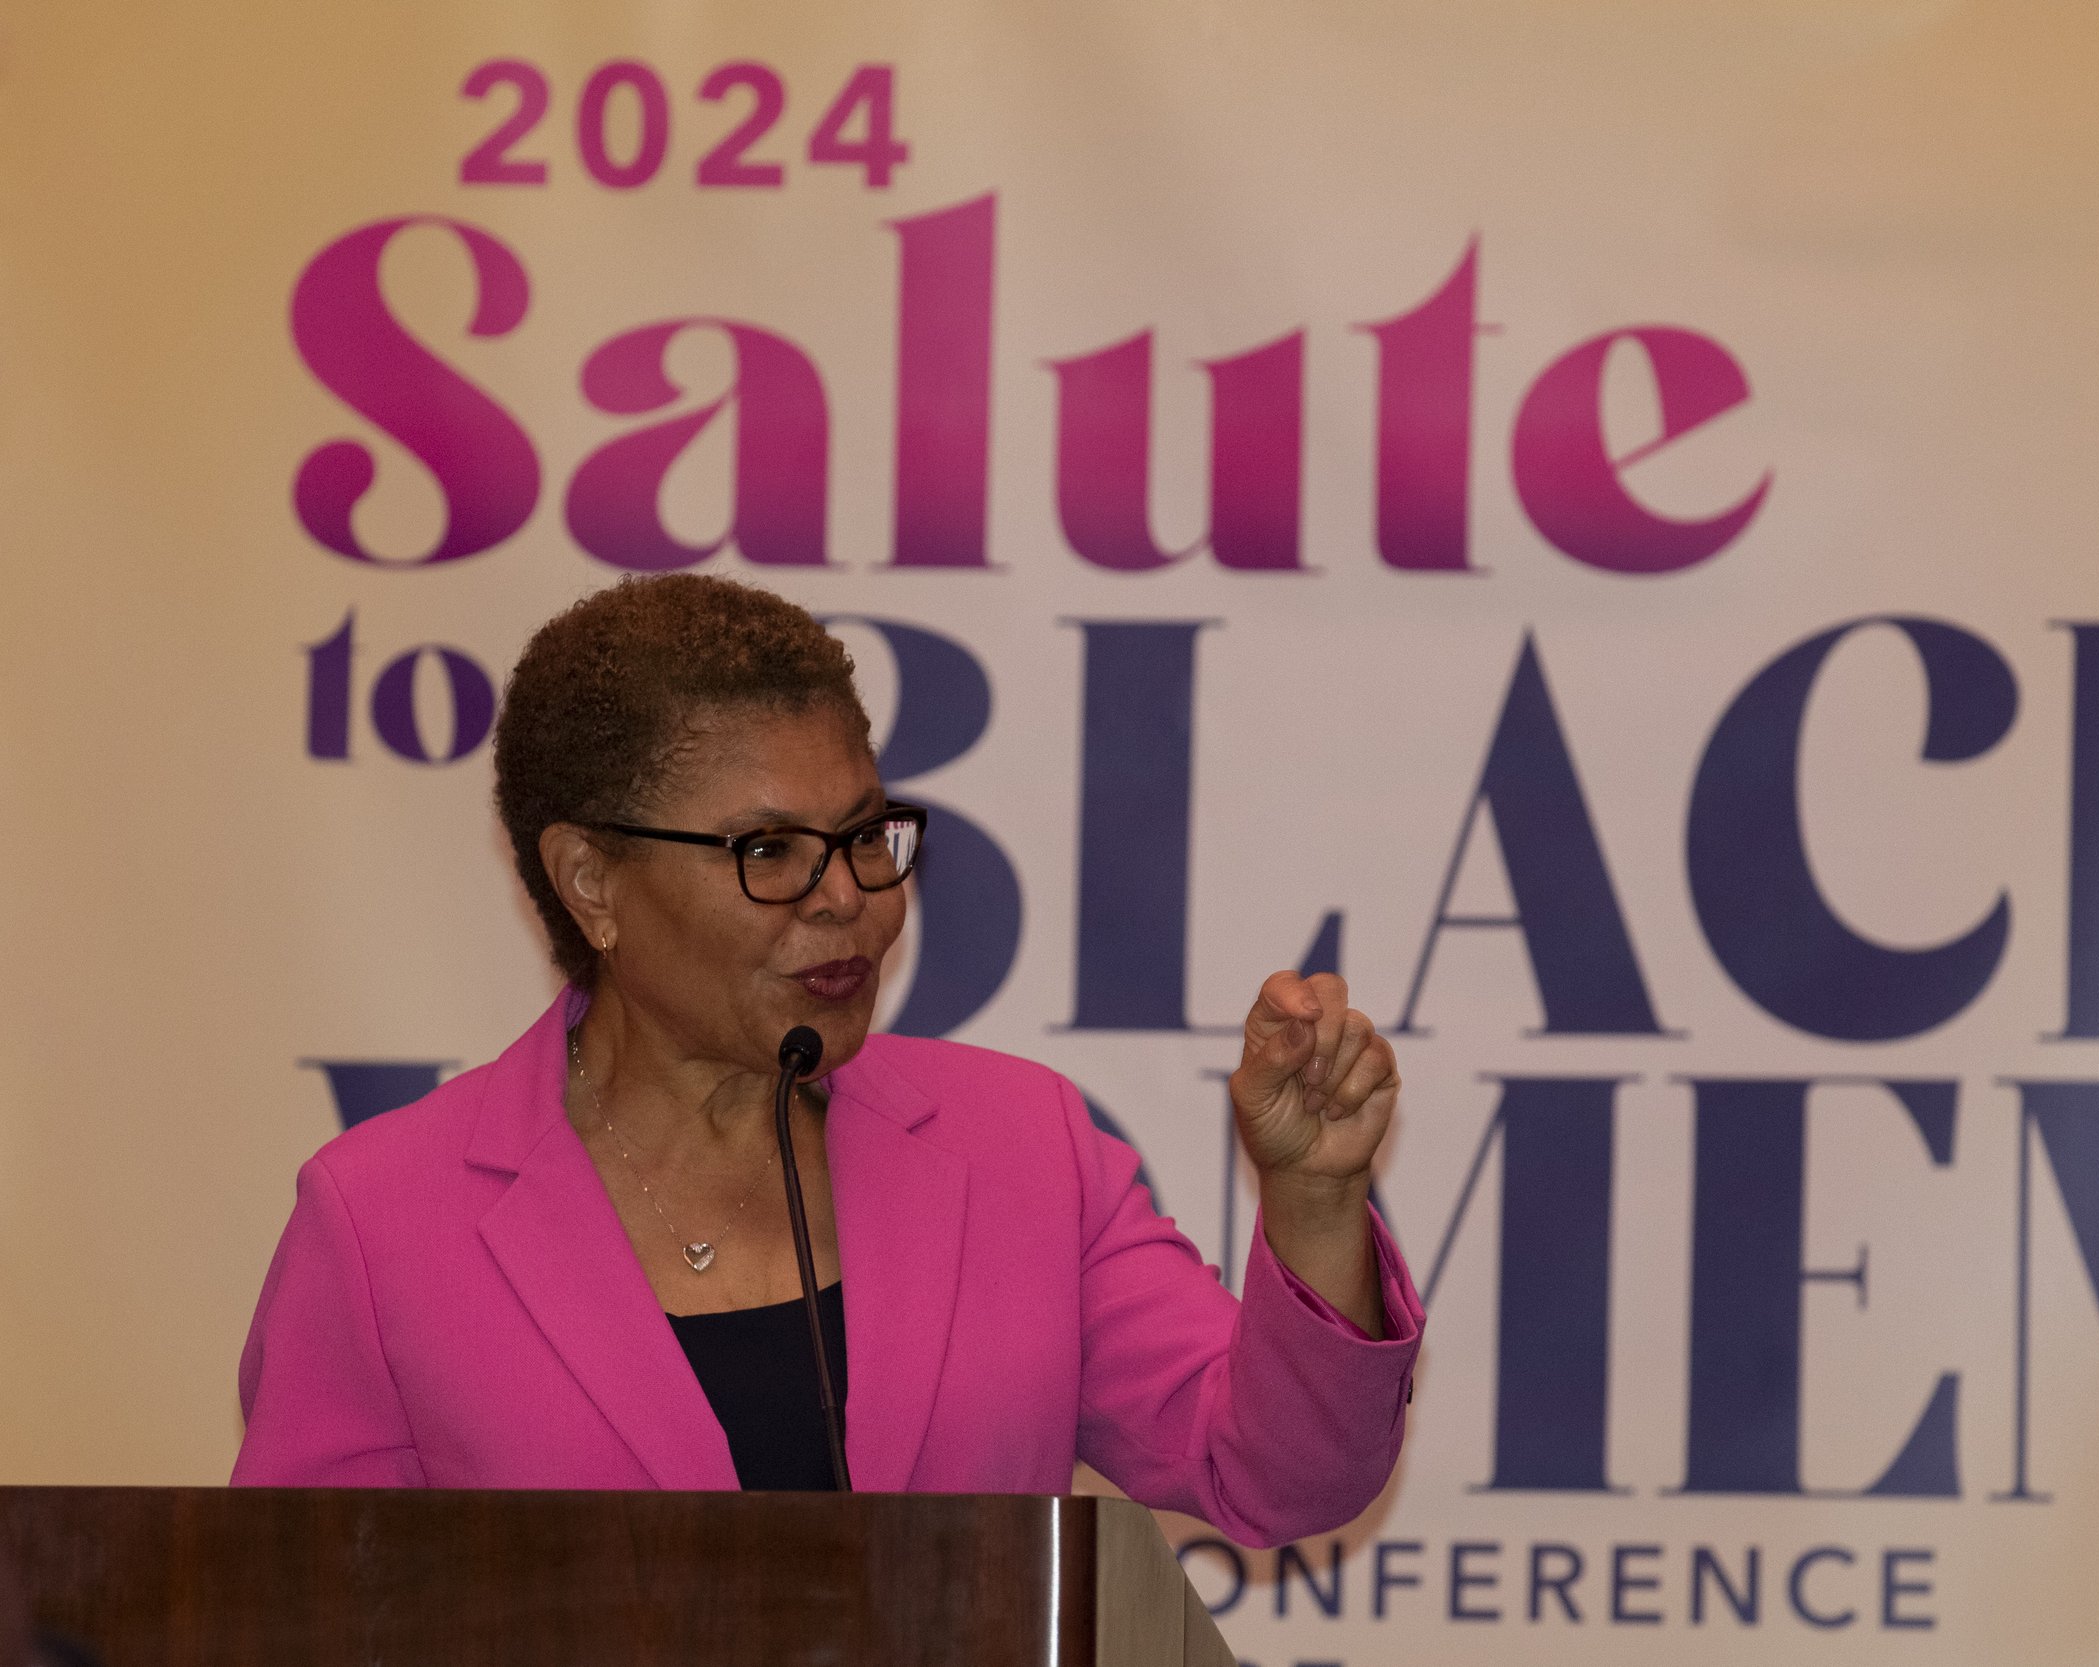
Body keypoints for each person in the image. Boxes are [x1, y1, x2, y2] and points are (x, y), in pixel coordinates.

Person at [232, 574, 1421, 1548]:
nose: (848, 897)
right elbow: (297, 1616)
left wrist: (1314, 1200)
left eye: (862, 835)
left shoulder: (1022, 1146)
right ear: (591, 880)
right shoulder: (384, 1223)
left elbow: (1271, 1472)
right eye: (770, 850)